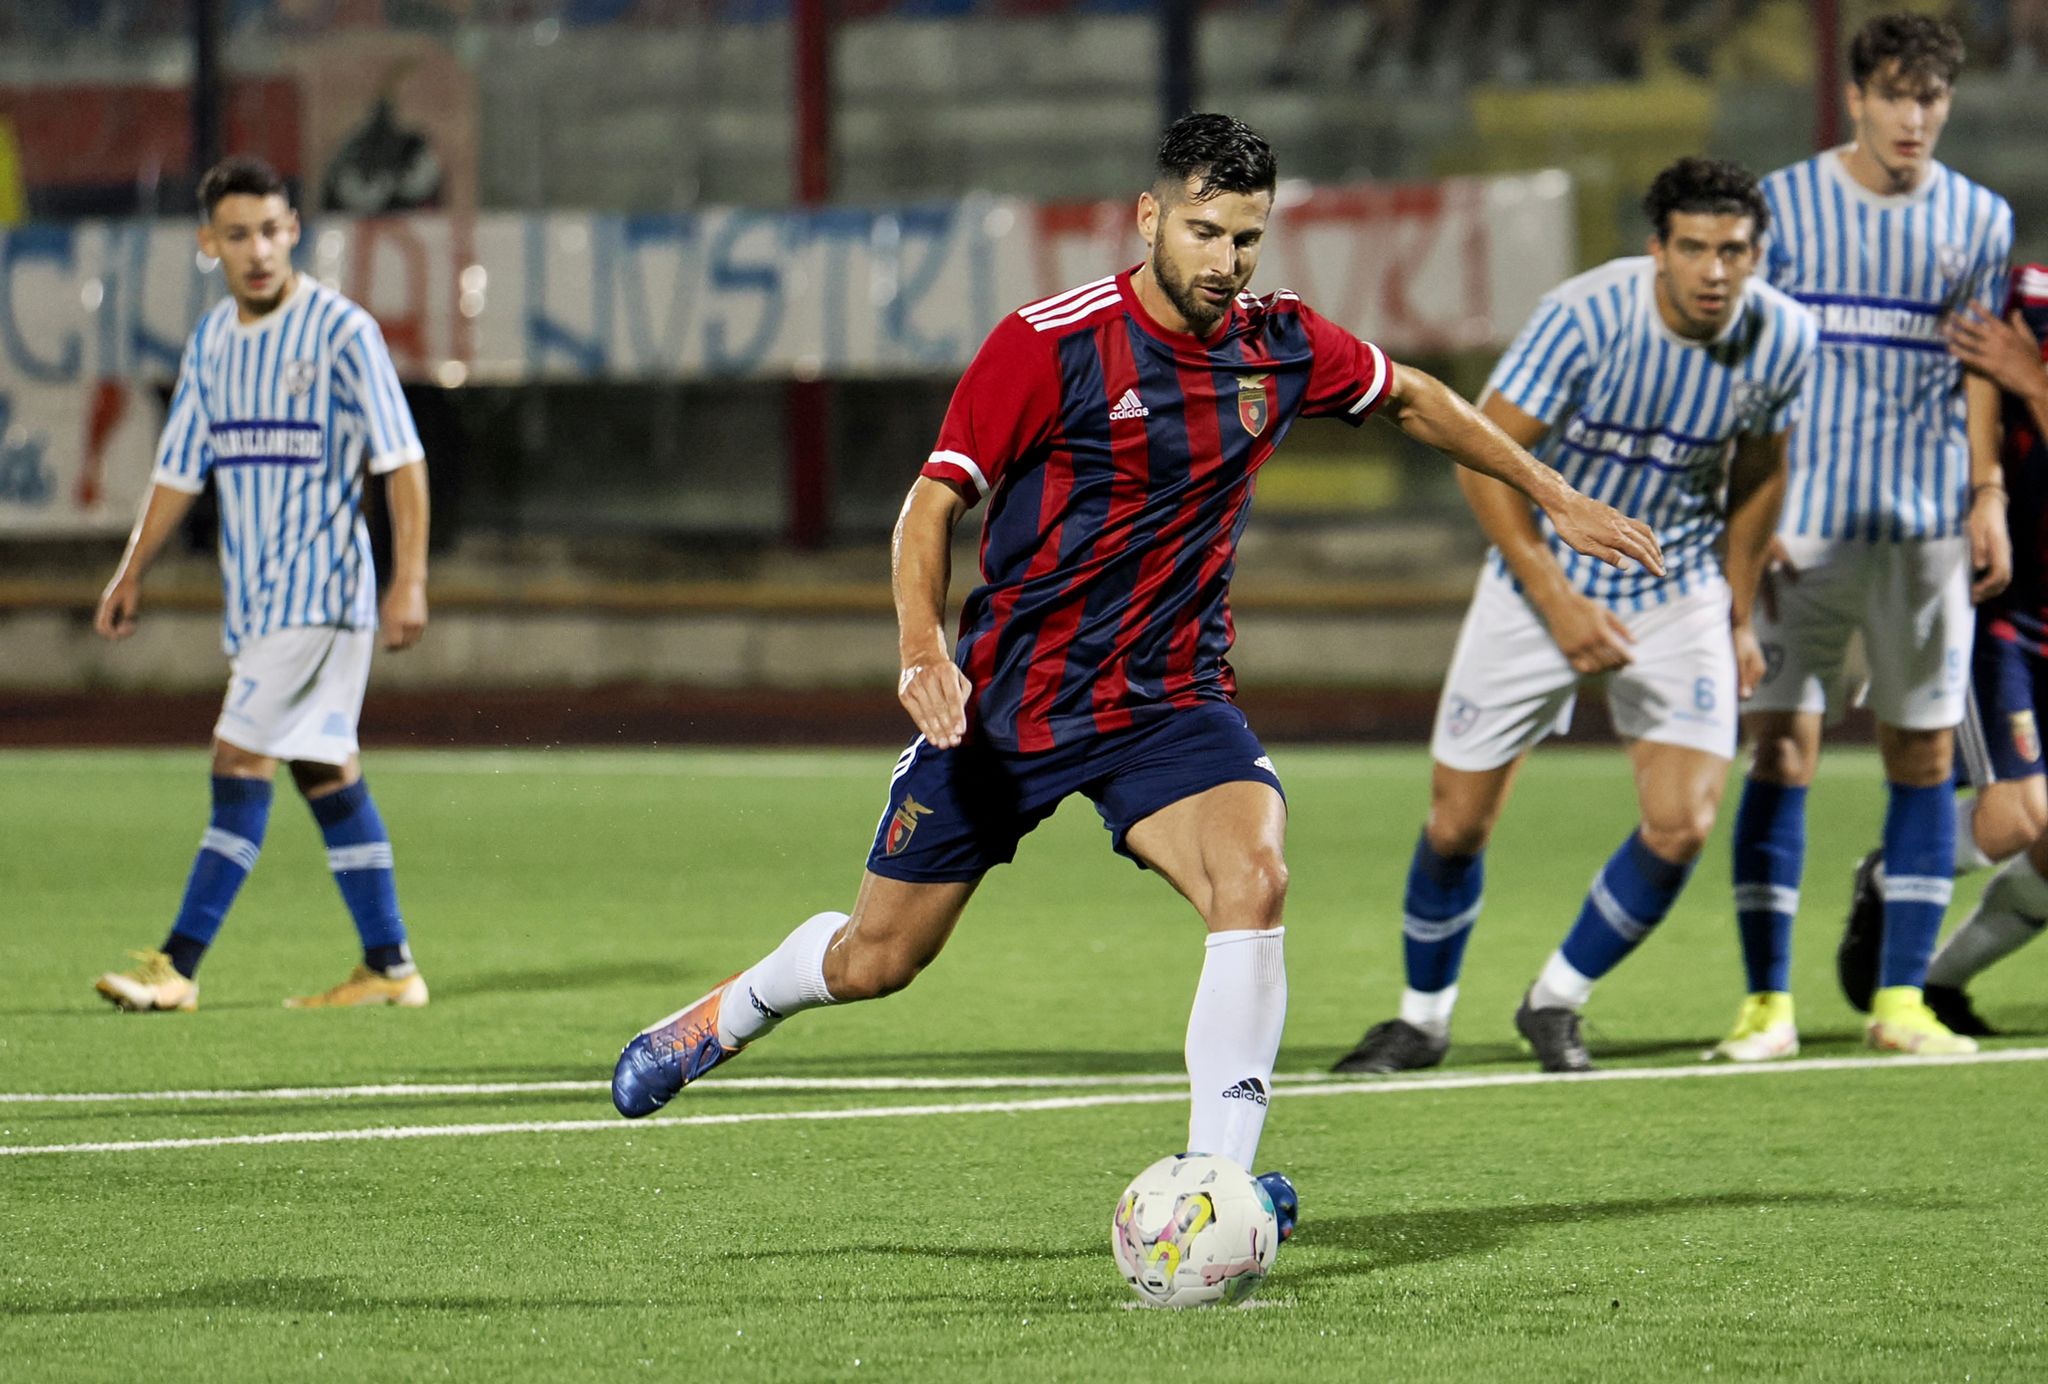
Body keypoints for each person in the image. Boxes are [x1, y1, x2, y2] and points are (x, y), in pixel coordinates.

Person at [609, 114, 1662, 1238]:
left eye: (1247, 238)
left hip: (1171, 702)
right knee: (879, 959)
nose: (1226, 261)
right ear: (1149, 218)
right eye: (1204, 232)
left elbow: (1410, 396)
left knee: (1252, 878)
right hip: (1009, 708)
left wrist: (1554, 494)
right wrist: (921, 648)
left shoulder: (1280, 344)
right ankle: (731, 1011)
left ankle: (1217, 1187)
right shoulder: (1049, 344)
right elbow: (932, 501)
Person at [1328, 158, 1814, 1076]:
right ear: (1657, 249)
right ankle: (1421, 1021)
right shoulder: (1585, 317)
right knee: (1457, 826)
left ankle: (1555, 999)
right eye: (1696, 248)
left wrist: (1739, 615)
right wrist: (1555, 598)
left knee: (1682, 823)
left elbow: (1760, 474)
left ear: (1758, 256)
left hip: (1675, 587)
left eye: (1735, 251)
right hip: (1536, 585)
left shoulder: (1784, 337)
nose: (1715, 271)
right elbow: (1484, 458)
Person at [1726, 11, 2013, 1059]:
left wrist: (1985, 491)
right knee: (1780, 748)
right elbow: (1748, 366)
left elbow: (1977, 366)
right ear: (1855, 98)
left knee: (1924, 753)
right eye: (1893, 95)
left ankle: (1900, 1002)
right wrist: (1748, 513)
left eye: (1929, 98)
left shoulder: (1979, 218)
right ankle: (1766, 1005)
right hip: (1801, 532)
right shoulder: (1782, 207)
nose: (1911, 118)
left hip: (1922, 531)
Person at [91, 155, 432, 1014]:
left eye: (272, 231)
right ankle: (390, 965)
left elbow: (401, 461)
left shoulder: (342, 332)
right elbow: (179, 470)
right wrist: (132, 570)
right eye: (238, 235)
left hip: (323, 597)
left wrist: (410, 580)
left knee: (238, 759)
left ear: (295, 233)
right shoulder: (213, 342)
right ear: (209, 243)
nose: (258, 251)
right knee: (326, 773)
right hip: (259, 604)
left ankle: (177, 965)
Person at [1837, 266, 2048, 1033]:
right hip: (2000, 607)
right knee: (2015, 818)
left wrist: (2032, 382)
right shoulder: (2020, 298)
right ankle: (1889, 874)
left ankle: (1937, 981)